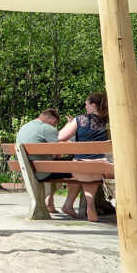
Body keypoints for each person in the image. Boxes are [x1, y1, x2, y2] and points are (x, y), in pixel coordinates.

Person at [58, 92, 109, 222]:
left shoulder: (80, 119)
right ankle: (89, 206)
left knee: (84, 166)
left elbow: (61, 137)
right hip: (102, 171)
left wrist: (69, 124)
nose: (85, 107)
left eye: (86, 105)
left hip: (80, 170)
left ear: (93, 106)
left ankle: (89, 206)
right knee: (92, 166)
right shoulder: (108, 122)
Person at [15, 108, 67, 214]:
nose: (54, 127)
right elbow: (59, 153)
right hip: (41, 173)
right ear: (53, 121)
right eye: (55, 125)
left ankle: (50, 201)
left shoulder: (25, 127)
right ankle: (69, 205)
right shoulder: (47, 128)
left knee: (56, 165)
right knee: (78, 169)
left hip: (24, 170)